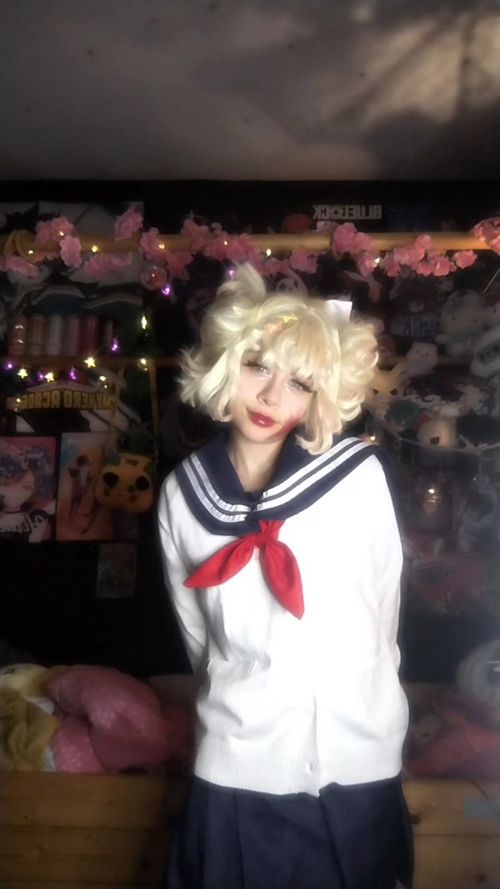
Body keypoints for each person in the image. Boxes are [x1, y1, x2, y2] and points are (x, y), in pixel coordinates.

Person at [158, 263, 413, 889]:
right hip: (237, 768)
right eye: (257, 366)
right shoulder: (181, 496)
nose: (273, 397)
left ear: (321, 395)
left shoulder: (359, 478)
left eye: (299, 382)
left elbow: (383, 609)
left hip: (361, 761)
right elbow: (201, 644)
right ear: (225, 364)